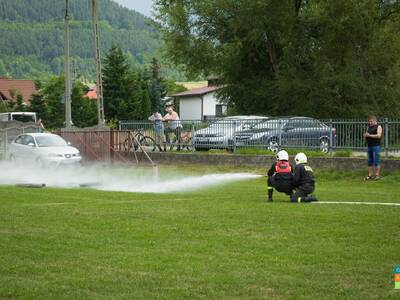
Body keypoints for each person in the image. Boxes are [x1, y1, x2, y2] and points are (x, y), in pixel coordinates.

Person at [363, 115, 382, 180]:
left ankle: (377, 175)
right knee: (369, 161)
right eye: (369, 121)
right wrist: (365, 135)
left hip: (376, 146)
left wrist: (369, 135)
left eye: (371, 121)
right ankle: (370, 175)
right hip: (369, 146)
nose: (370, 123)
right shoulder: (369, 127)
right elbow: (367, 135)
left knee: (376, 161)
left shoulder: (378, 126)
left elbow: (379, 135)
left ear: (374, 120)